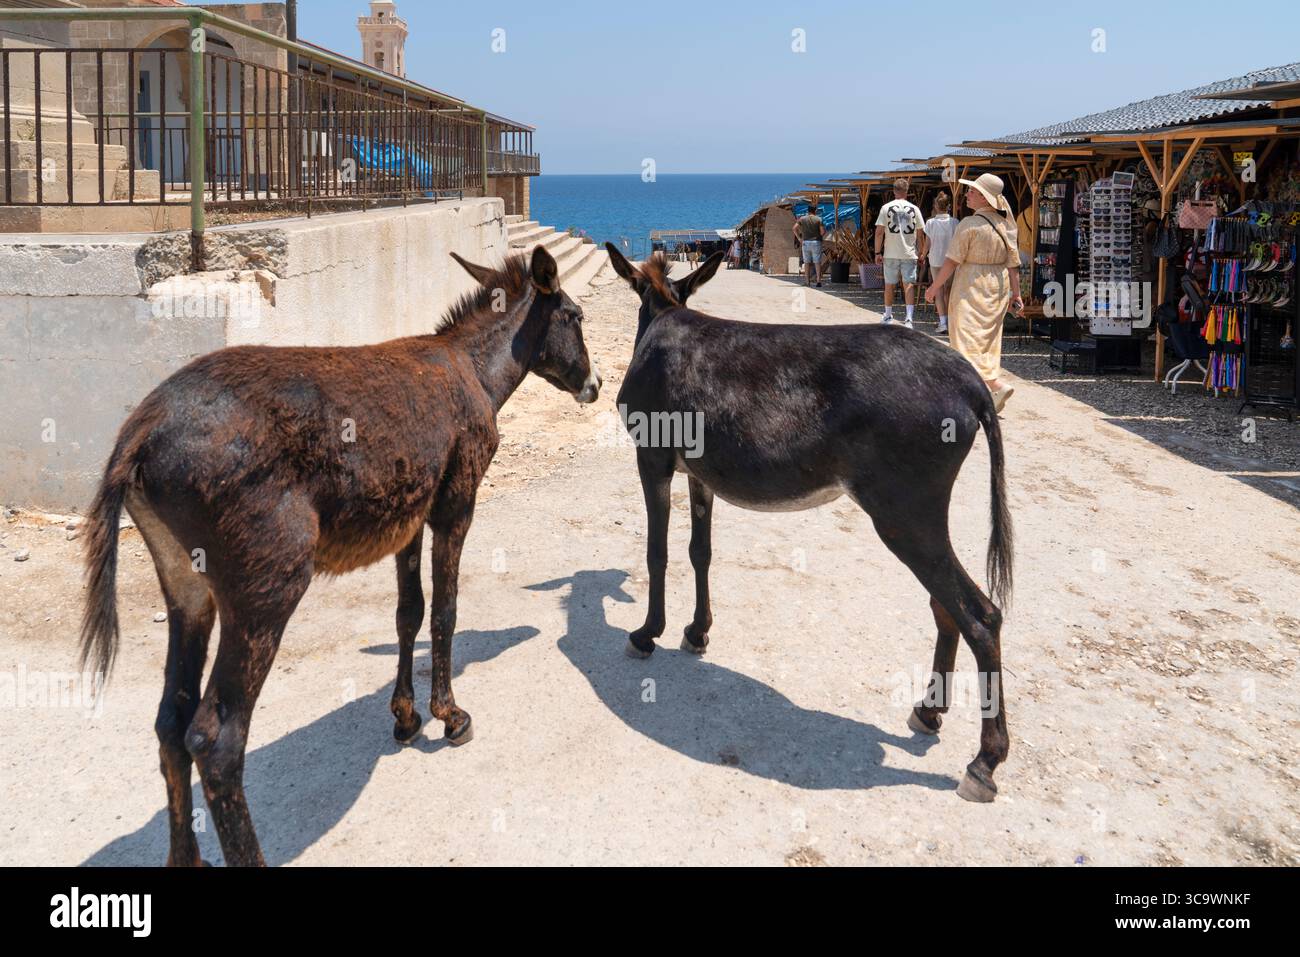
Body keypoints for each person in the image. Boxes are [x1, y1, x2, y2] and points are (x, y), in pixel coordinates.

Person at [925, 173, 1022, 413]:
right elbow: (1013, 265)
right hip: (997, 286)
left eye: (972, 192)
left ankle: (991, 385)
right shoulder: (1005, 225)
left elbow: (951, 261)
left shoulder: (969, 224)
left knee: (964, 338)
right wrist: (1016, 294)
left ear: (984, 198)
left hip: (971, 284)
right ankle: (987, 387)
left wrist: (935, 287)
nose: (967, 195)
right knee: (987, 340)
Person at [874, 178, 926, 327]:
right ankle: (909, 318)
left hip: (890, 252)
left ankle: (888, 315)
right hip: (909, 253)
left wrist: (878, 252)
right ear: (907, 191)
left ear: (893, 191)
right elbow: (921, 233)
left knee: (889, 285)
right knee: (908, 285)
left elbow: (879, 232)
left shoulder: (885, 208)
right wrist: (921, 252)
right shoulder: (915, 209)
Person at [923, 193, 958, 334]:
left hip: (936, 260)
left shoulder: (930, 223)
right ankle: (950, 321)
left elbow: (927, 243)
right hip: (952, 260)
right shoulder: (955, 222)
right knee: (949, 290)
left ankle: (943, 322)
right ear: (948, 206)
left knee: (938, 290)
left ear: (936, 206)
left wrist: (922, 255)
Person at [793, 204, 826, 287]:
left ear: (808, 210)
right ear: (815, 211)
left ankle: (807, 282)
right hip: (816, 242)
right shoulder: (819, 219)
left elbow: (794, 228)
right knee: (817, 262)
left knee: (807, 262)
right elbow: (822, 232)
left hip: (805, 242)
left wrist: (799, 238)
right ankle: (818, 281)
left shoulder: (802, 219)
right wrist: (819, 235)